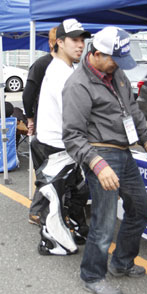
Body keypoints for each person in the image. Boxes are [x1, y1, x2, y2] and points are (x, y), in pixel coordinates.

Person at [62, 26, 147, 294]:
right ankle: (92, 276)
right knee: (104, 223)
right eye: (114, 59)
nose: (118, 65)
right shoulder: (78, 84)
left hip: (124, 152)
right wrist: (97, 164)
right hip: (100, 154)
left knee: (140, 209)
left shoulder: (117, 74)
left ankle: (121, 262)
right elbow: (72, 136)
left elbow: (133, 110)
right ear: (97, 54)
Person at [32, 18, 91, 256]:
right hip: (54, 144)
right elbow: (72, 113)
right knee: (55, 198)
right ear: (60, 42)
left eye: (82, 40)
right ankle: (49, 241)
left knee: (78, 191)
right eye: (74, 40)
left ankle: (75, 227)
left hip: (64, 143)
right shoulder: (59, 71)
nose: (80, 45)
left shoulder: (68, 68)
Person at [22, 26, 57, 226]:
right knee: (48, 169)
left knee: (53, 170)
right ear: (53, 43)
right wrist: (30, 118)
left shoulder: (69, 66)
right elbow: (27, 94)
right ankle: (37, 211)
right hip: (45, 125)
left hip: (61, 126)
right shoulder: (42, 64)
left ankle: (43, 210)